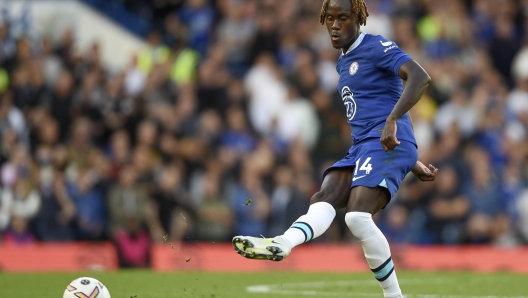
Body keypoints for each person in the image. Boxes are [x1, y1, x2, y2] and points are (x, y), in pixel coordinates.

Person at [231, 1, 438, 297]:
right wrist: (412, 161)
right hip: (366, 146)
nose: (335, 25)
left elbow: (420, 77)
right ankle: (282, 243)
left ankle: (395, 296)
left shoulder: (377, 46)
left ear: (358, 18)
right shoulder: (343, 61)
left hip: (384, 143)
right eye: (330, 18)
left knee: (356, 217)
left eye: (343, 18)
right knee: (324, 195)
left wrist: (393, 121)